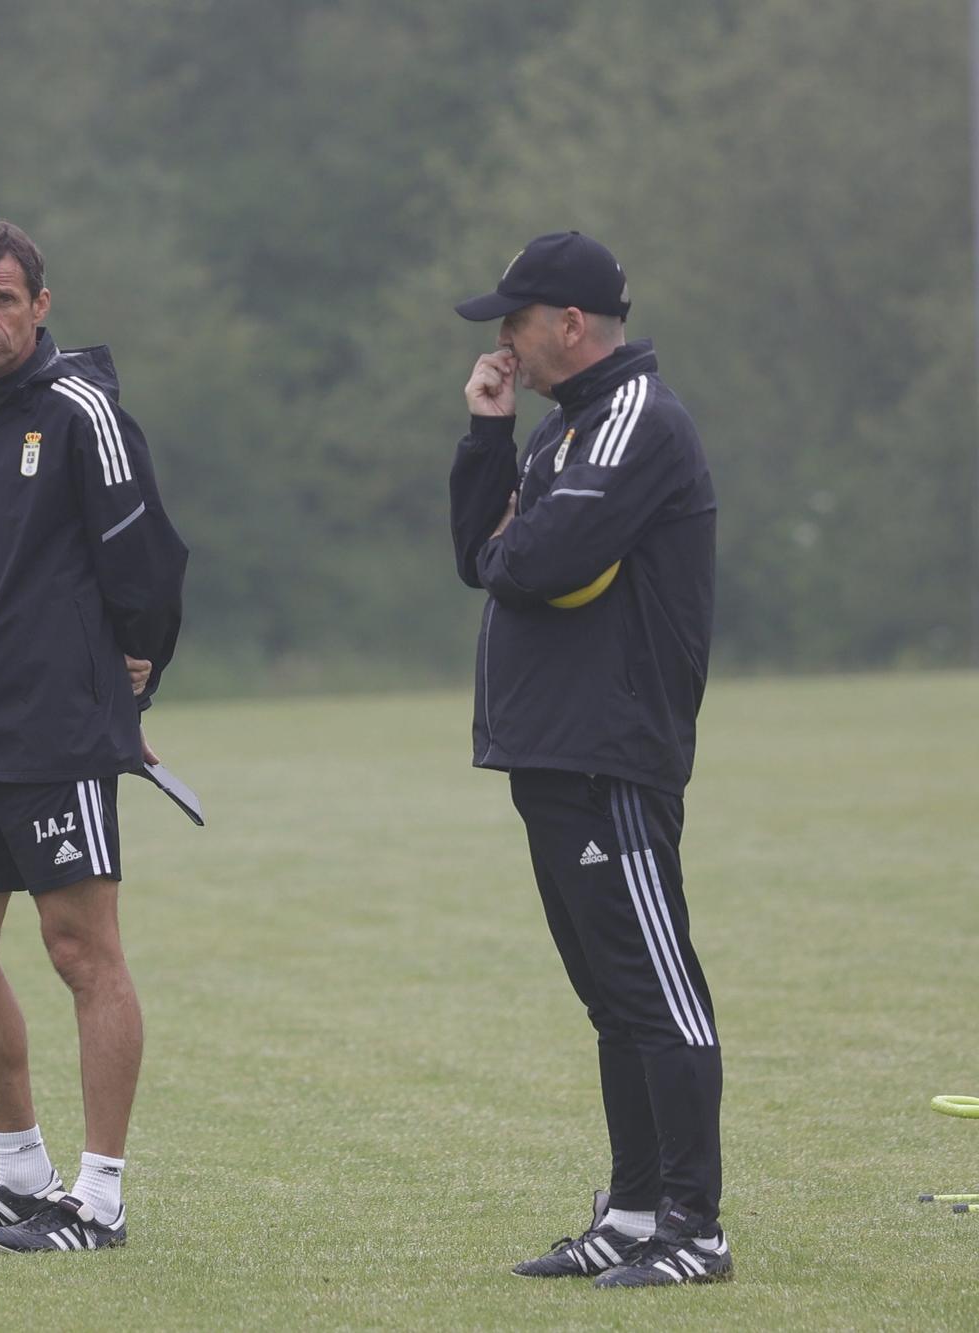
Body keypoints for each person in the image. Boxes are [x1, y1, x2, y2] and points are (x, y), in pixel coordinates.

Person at [448, 231, 727, 1287]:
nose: (503, 343)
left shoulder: (634, 423)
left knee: (658, 989)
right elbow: (476, 556)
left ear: (567, 323)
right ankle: (633, 1210)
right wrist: (486, 434)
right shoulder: (560, 434)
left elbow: (535, 560)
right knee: (611, 994)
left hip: (612, 749)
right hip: (551, 749)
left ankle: (693, 1229)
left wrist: (510, 546)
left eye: (513, 323)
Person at [0, 220, 188, 1254]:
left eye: (5, 299)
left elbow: (148, 564)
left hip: (58, 733)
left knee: (81, 951)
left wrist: (136, 675)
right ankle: (20, 1177)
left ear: (41, 303)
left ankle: (99, 1198)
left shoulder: (83, 413)